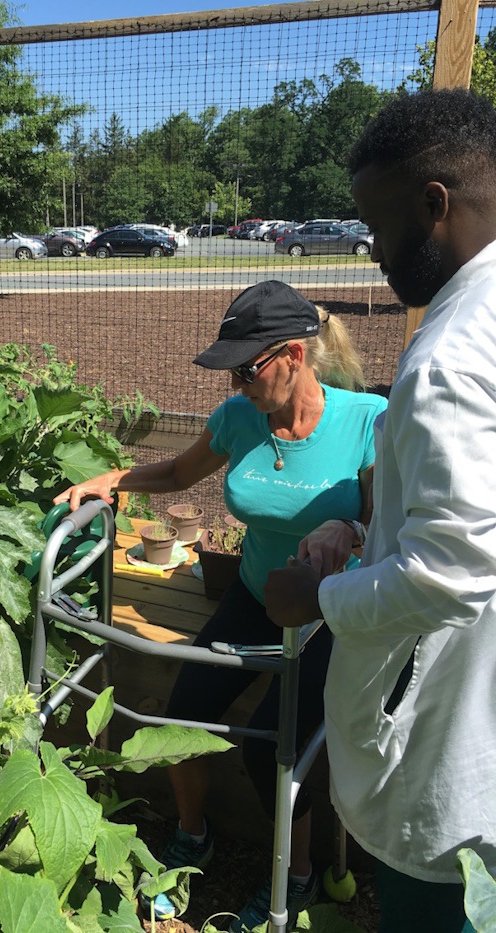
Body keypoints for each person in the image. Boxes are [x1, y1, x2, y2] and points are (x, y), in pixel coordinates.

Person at [55, 279, 387, 930]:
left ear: (294, 355)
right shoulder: (240, 419)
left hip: (328, 611)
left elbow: (385, 530)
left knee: (271, 747)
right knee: (184, 714)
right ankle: (193, 834)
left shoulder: (365, 421)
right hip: (256, 590)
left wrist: (349, 531)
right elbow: (179, 475)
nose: (238, 384)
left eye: (246, 368)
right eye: (231, 370)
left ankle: (297, 872)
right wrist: (111, 479)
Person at [264, 89, 496, 933]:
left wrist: (314, 600)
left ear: (434, 204)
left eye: (379, 221)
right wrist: (365, 525)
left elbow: (455, 571)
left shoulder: (449, 359)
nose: (372, 247)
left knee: (439, 902)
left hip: (453, 748)